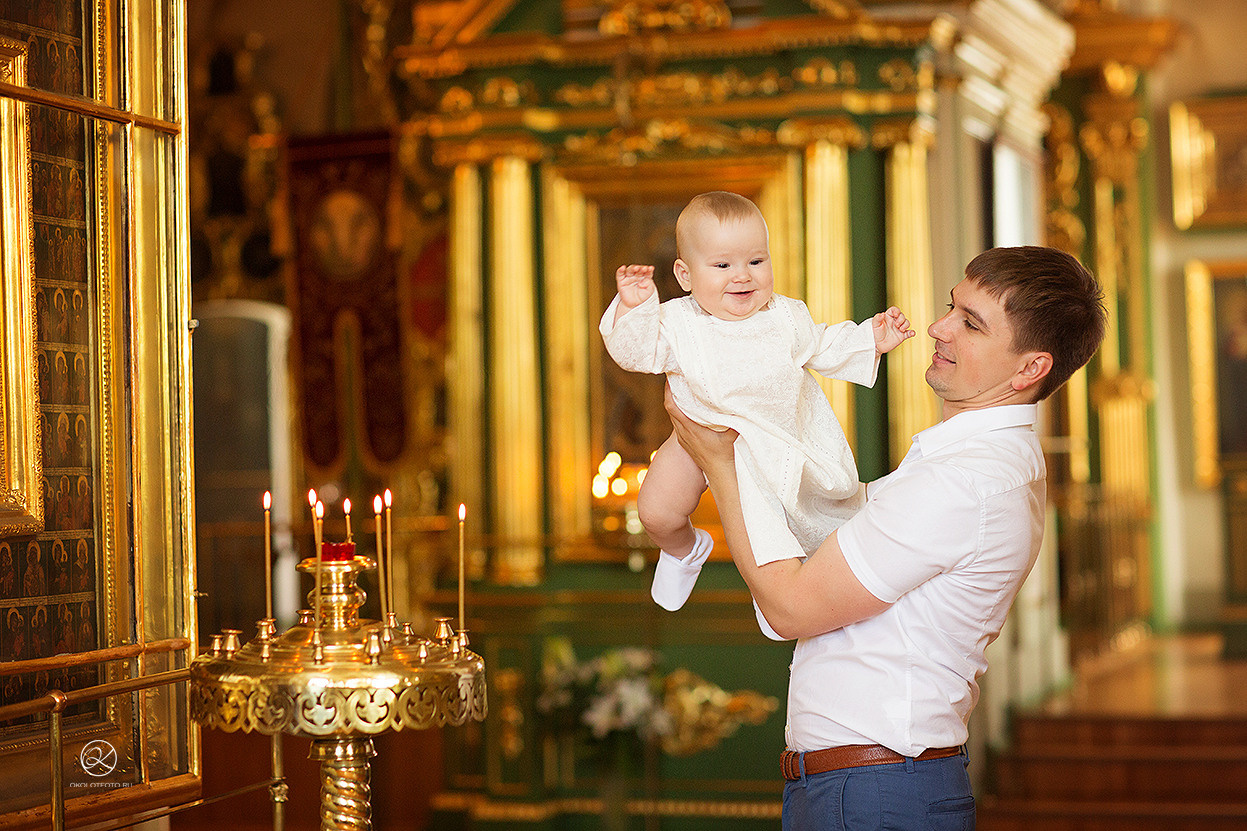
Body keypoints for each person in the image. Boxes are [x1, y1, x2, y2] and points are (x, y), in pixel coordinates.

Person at [664, 245, 1105, 830]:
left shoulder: (965, 480)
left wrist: (718, 462)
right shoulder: (968, 463)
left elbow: (793, 606)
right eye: (952, 307)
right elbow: (821, 527)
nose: (938, 329)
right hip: (866, 784)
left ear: (1030, 367)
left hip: (872, 791)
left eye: (970, 324)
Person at [599, 191, 913, 624]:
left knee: (792, 520)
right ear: (685, 275)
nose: (742, 277)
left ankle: (794, 594)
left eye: (756, 261)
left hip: (776, 442)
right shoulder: (678, 324)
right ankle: (683, 549)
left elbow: (822, 343)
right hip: (696, 438)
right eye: (723, 265)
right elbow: (636, 353)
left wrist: (870, 339)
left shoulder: (784, 317)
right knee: (655, 510)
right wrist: (635, 308)